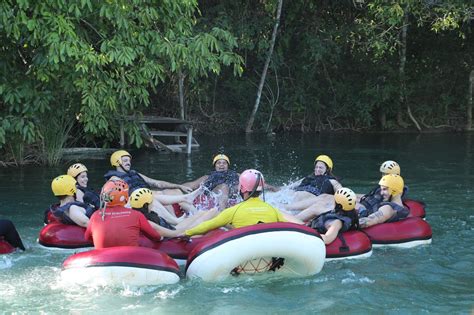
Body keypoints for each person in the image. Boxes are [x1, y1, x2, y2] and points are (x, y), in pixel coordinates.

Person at [182, 169, 303, 237]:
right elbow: (298, 223)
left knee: (219, 220)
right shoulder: (273, 210)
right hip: (268, 246)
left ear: (242, 189)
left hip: (243, 247)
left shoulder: (232, 211)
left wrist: (186, 233)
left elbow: (207, 225)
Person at [104, 150, 199, 225]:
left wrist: (179, 186)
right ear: (117, 162)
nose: (128, 163)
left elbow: (156, 183)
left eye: (129, 161)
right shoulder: (114, 179)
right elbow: (108, 197)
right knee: (151, 197)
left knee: (174, 191)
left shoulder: (135, 173)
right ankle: (176, 222)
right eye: (125, 161)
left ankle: (197, 214)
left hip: (148, 196)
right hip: (136, 203)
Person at [85, 179, 161, 248]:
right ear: (125, 197)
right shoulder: (136, 215)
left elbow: (87, 237)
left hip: (103, 260)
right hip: (130, 259)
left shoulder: (95, 215)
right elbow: (155, 237)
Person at [129, 188, 219, 238]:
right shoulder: (149, 223)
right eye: (152, 201)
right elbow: (175, 234)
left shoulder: (140, 214)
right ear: (146, 205)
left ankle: (186, 197)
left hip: (175, 228)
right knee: (213, 212)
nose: (154, 203)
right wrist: (195, 228)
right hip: (178, 235)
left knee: (202, 212)